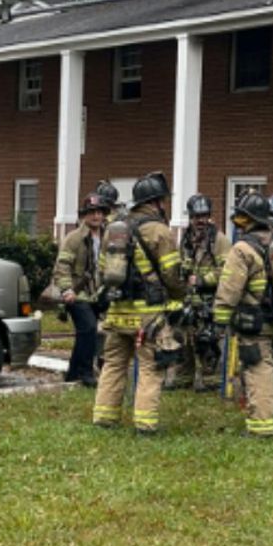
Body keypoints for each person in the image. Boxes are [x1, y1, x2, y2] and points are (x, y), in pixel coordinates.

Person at [92, 172, 186, 434]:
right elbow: (171, 274)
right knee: (150, 366)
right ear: (156, 202)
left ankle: (104, 417)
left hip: (117, 311)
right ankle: (145, 423)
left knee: (113, 364)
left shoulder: (114, 229)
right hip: (148, 316)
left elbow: (102, 271)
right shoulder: (160, 231)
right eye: (163, 201)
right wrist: (180, 296)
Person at [213, 191, 273, 437]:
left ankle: (261, 425)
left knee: (259, 369)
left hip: (254, 322)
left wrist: (219, 320)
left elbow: (230, 288)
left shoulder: (242, 249)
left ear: (248, 220)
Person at [165, 194, 230, 391]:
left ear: (209, 216)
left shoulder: (219, 240)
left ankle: (211, 380)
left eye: (203, 216)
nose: (200, 221)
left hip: (209, 298)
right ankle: (184, 377)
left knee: (208, 340)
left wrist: (202, 280)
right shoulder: (186, 239)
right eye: (196, 216)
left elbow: (227, 271)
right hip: (188, 298)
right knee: (183, 338)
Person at [52, 193, 111, 387]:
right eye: (91, 212)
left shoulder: (108, 237)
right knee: (89, 328)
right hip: (78, 294)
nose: (96, 216)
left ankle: (72, 375)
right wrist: (67, 290)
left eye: (99, 212)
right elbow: (62, 266)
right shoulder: (74, 238)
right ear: (84, 215)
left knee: (86, 333)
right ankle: (86, 373)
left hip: (98, 294)